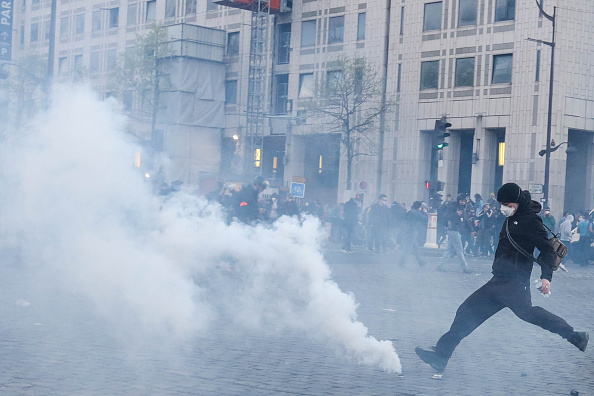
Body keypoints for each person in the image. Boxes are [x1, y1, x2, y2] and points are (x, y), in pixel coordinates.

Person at [416, 183, 589, 373]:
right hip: (498, 280)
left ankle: (574, 336)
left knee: (529, 313)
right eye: (501, 204)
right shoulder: (510, 217)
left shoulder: (531, 221)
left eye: (506, 204)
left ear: (516, 202)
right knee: (467, 311)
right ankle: (441, 355)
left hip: (515, 283)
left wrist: (546, 277)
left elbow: (547, 249)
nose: (503, 207)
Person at [437, 194, 472, 273]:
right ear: (459, 201)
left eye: (464, 201)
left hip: (455, 230)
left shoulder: (461, 208)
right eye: (462, 201)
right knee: (459, 250)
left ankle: (440, 265)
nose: (463, 202)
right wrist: (456, 214)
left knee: (449, 250)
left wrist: (471, 229)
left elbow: (465, 220)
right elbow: (446, 216)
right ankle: (465, 267)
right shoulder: (454, 207)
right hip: (454, 229)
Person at [397, 201, 427, 267]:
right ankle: (401, 262)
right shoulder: (416, 213)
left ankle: (420, 262)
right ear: (418, 207)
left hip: (407, 231)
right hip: (412, 232)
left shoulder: (410, 212)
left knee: (415, 248)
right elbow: (424, 219)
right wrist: (425, 213)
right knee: (408, 248)